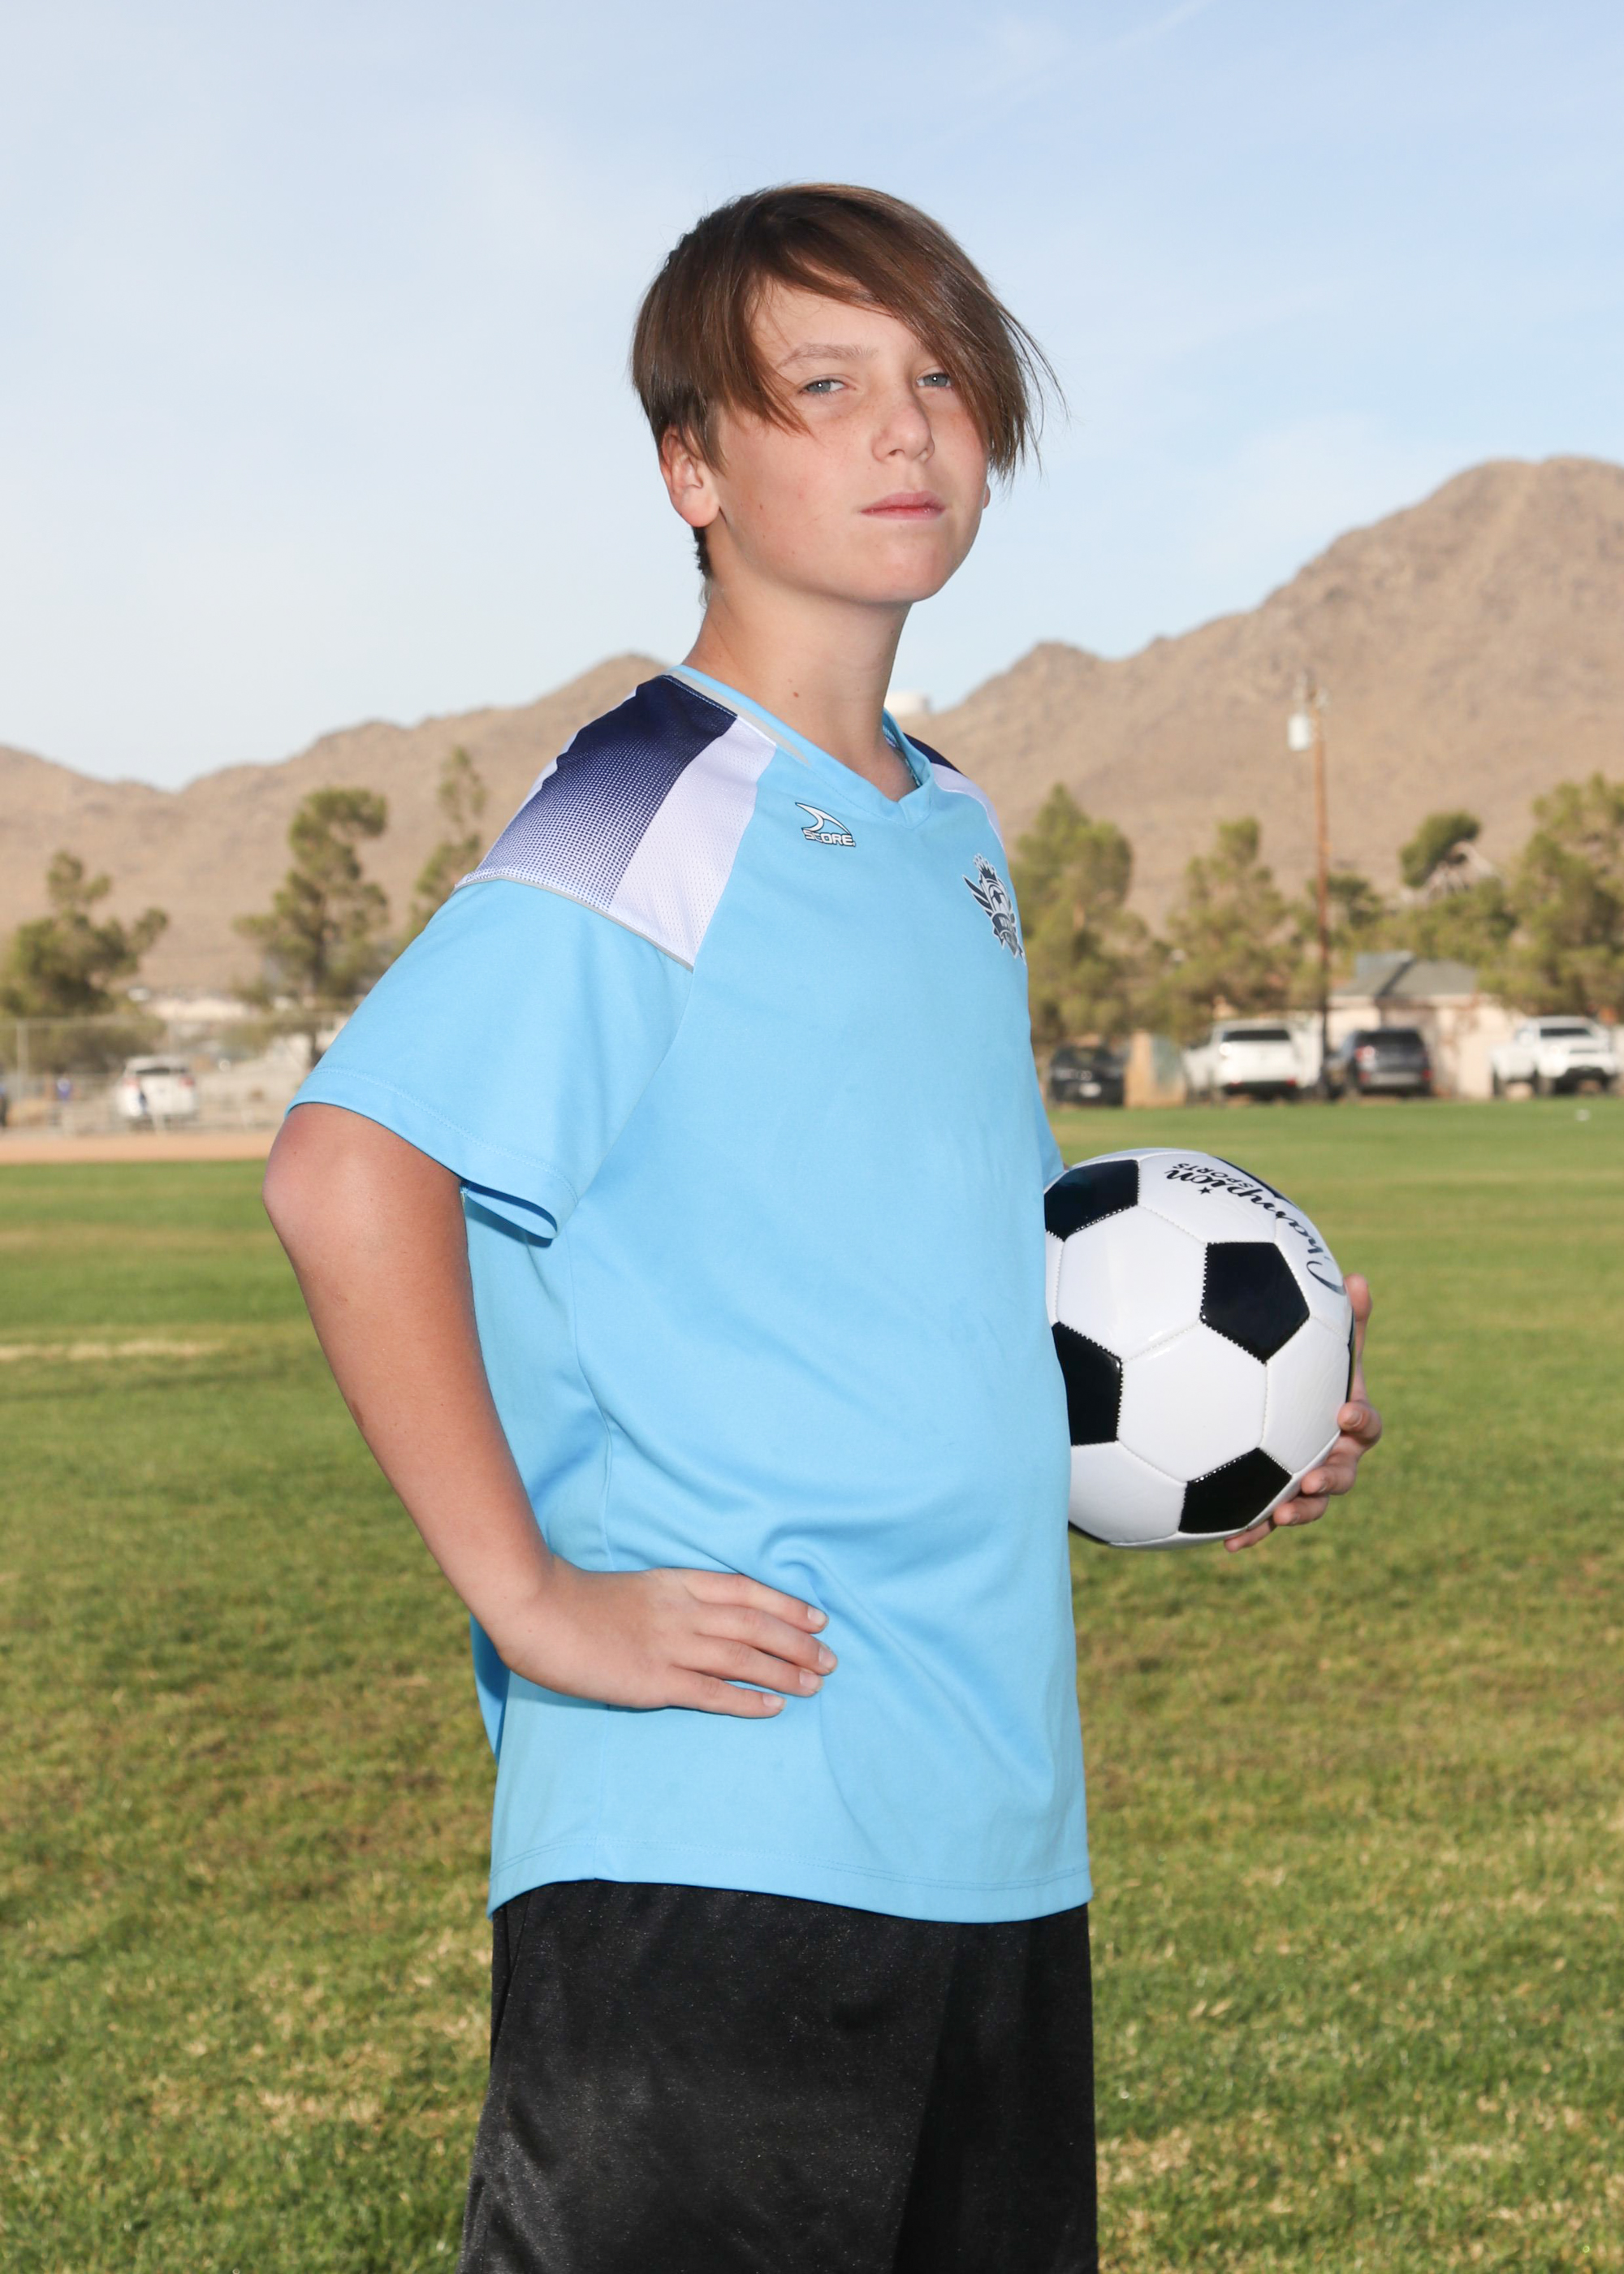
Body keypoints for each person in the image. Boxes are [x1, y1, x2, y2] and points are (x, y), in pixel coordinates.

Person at [263, 184, 1380, 2274]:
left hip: (986, 1818)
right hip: (723, 1813)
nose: (905, 426)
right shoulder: (656, 792)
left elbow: (950, 1283)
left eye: (941, 377)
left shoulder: (947, 823)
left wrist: (1224, 1425)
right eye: (824, 384)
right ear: (691, 467)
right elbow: (345, 1167)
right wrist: (533, 1597)